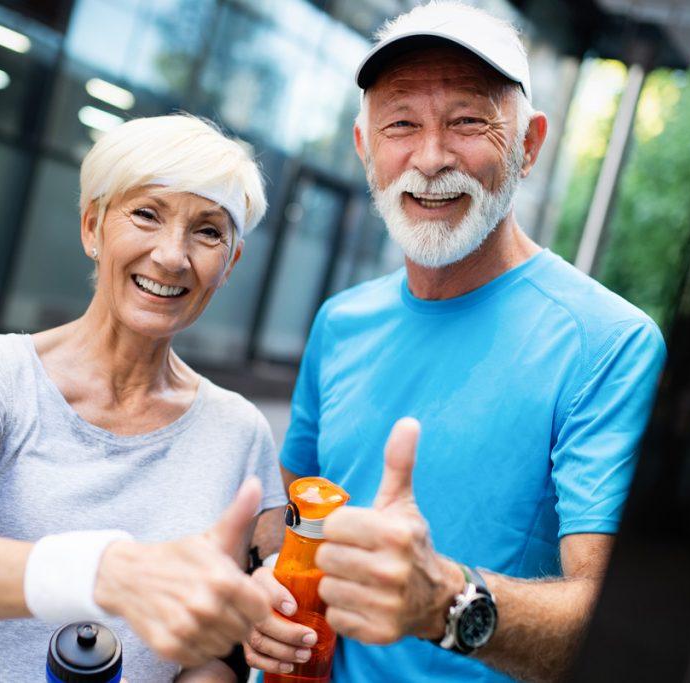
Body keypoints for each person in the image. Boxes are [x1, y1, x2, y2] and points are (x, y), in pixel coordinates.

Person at [243, 3, 667, 682]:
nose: (432, 157)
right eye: (401, 124)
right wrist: (266, 582)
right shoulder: (340, 321)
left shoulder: (609, 345)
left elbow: (613, 621)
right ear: (364, 148)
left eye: (468, 120)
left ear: (529, 143)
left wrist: (445, 602)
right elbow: (298, 512)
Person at [0, 114, 287, 683]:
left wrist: (251, 629)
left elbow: (211, 652)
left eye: (208, 231)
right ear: (92, 227)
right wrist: (114, 574)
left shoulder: (239, 430)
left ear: (230, 262)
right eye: (147, 214)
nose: (172, 256)